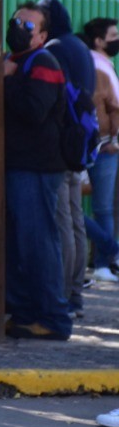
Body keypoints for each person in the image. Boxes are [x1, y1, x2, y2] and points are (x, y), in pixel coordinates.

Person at [3, 2, 73, 340]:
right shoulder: (14, 61)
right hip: (18, 166)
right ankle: (26, 313)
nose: (19, 28)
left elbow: (34, 110)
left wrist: (8, 80)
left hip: (36, 168)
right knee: (18, 246)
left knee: (38, 244)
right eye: (16, 22)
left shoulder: (42, 62)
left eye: (28, 26)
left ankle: (53, 317)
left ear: (43, 35)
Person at [40, 0, 93, 319]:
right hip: (79, 145)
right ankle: (74, 295)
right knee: (74, 221)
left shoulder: (56, 48)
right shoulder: (79, 46)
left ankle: (63, 298)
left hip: (61, 146)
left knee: (63, 223)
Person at [83, 17, 119, 282]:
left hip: (82, 143)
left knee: (73, 206)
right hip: (103, 144)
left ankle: (106, 259)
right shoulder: (101, 68)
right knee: (101, 208)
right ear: (99, 40)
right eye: (113, 35)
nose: (116, 39)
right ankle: (106, 259)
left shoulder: (89, 64)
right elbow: (115, 107)